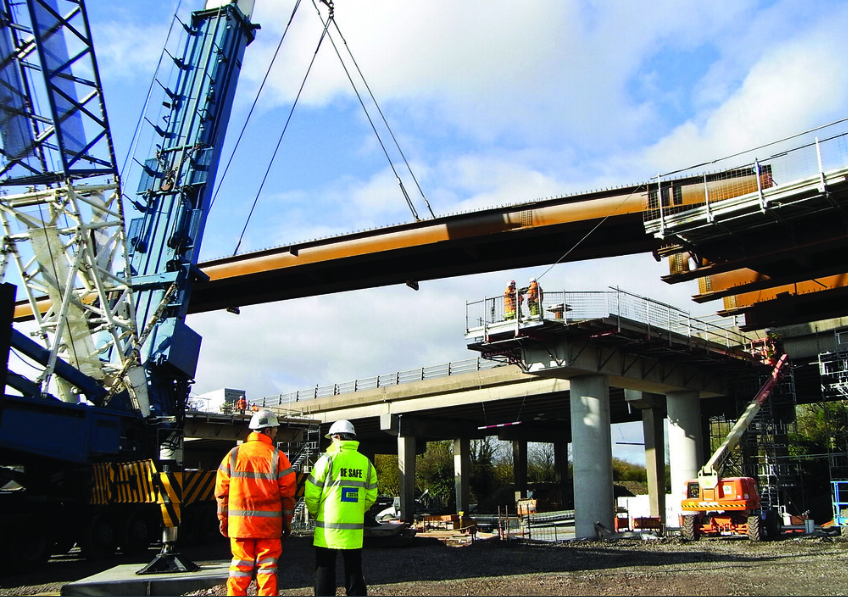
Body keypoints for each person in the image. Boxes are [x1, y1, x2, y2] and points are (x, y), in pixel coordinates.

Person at [215, 409, 296, 596]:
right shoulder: (277, 457)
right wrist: (287, 521)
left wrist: (223, 519)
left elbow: (221, 492)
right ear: (267, 431)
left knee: (239, 567)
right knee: (267, 568)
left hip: (240, 526)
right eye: (275, 430)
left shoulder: (234, 455)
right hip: (269, 527)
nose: (276, 434)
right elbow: (288, 494)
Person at [305, 419, 378, 596]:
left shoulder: (327, 459)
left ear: (337, 437)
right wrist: (357, 511)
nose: (331, 441)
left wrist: (315, 513)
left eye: (331, 438)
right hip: (353, 528)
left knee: (325, 569)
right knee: (354, 570)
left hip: (327, 528)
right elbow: (371, 495)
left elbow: (312, 493)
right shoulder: (365, 463)